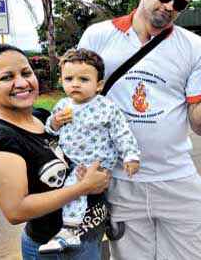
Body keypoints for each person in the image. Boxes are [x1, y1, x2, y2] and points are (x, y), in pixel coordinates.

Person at [77, 0, 201, 259]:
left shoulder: (194, 47)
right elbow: (81, 99)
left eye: (180, 3)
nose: (169, 5)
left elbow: (200, 124)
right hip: (121, 182)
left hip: (177, 178)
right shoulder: (98, 37)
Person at [0, 44, 111, 259]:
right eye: (7, 77)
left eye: (26, 73)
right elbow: (16, 211)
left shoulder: (42, 117)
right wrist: (84, 187)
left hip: (89, 236)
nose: (21, 83)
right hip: (57, 250)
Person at [38, 48, 142, 253]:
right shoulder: (62, 105)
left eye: (83, 79)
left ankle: (70, 230)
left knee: (75, 187)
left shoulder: (106, 107)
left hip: (95, 163)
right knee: (66, 187)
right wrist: (55, 123)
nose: (75, 84)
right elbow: (49, 130)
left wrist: (131, 156)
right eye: (69, 78)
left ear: (99, 85)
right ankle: (102, 219)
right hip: (70, 160)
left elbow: (122, 133)